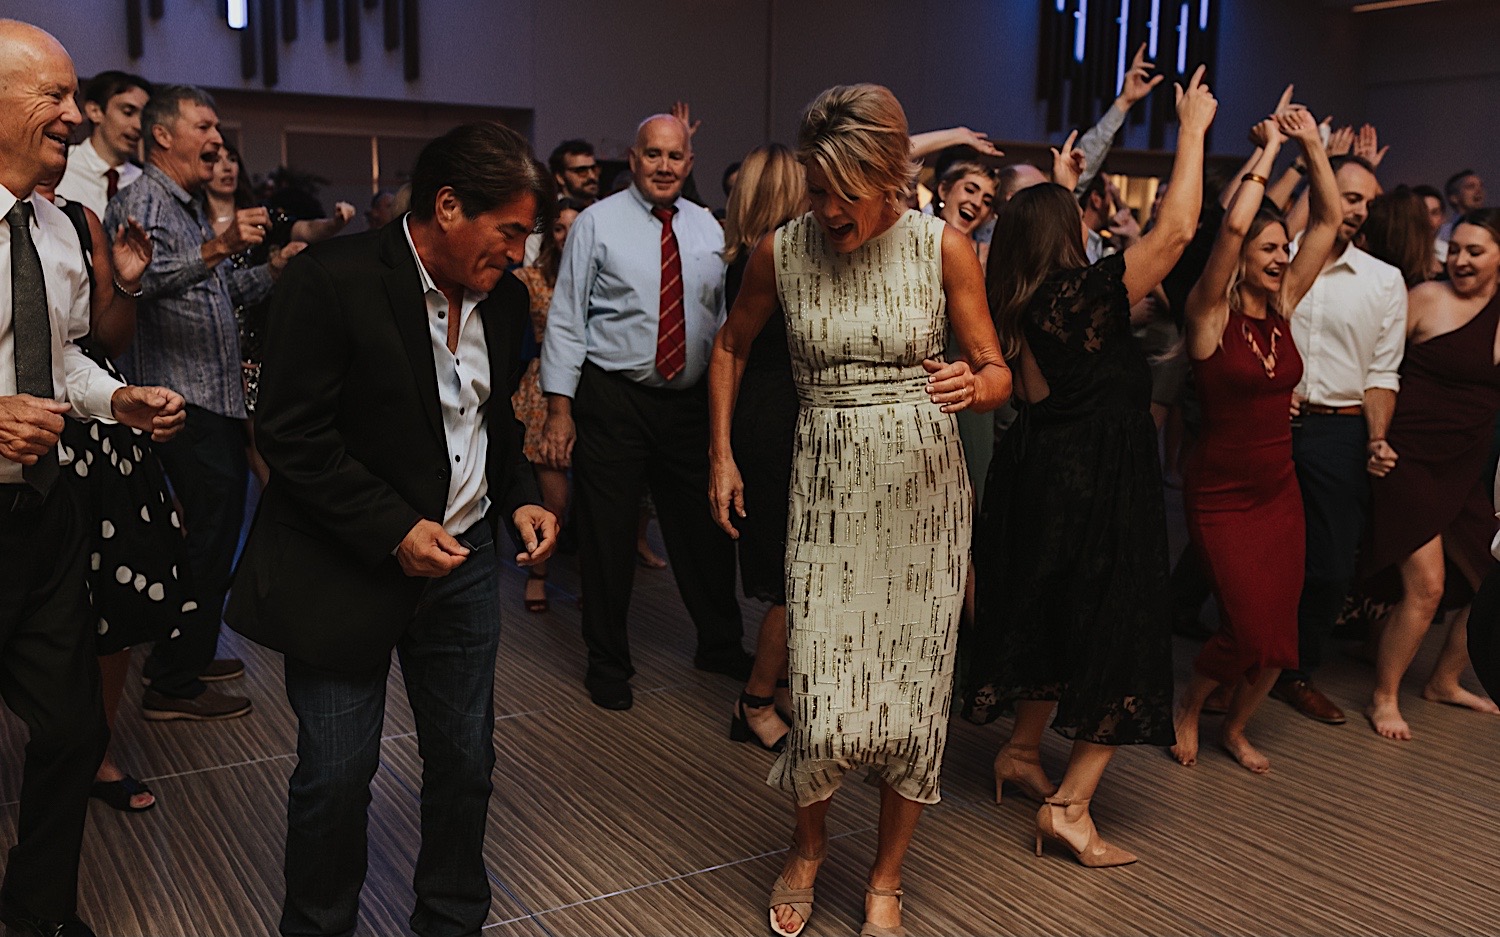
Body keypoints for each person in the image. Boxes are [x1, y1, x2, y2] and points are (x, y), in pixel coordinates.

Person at [226, 121, 558, 937]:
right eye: (508, 231)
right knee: (336, 774)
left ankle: (450, 919)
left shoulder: (506, 299)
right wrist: (391, 528)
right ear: (449, 206)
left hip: (467, 562)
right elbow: (291, 433)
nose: (518, 254)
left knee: (464, 761)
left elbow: (491, 423)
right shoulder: (332, 281)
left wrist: (516, 492)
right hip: (345, 565)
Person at [709, 83, 1010, 937]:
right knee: (822, 687)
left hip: (922, 489)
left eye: (847, 189)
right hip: (829, 482)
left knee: (912, 696)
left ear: (888, 177)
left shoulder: (943, 249)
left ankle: (887, 874)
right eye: (817, 186)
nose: (829, 208)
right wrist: (721, 452)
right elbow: (731, 344)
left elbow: (996, 370)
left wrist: (972, 384)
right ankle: (807, 848)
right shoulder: (783, 250)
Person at [964, 66, 1216, 866]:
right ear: (1065, 237)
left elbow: (1051, 243)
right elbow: (1173, 233)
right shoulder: (1082, 296)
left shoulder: (1016, 298)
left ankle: (1017, 752)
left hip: (1039, 474)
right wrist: (1194, 132)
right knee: (1121, 629)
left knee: (1052, 616)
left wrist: (1062, 188)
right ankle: (1070, 807)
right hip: (1100, 481)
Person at [0, 20, 187, 936]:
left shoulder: (62, 225)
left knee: (74, 732)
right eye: (55, 96)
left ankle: (37, 915)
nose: (74, 116)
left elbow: (66, 357)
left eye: (77, 97)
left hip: (44, 517)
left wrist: (119, 402)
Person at [539, 112, 750, 711]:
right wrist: (560, 410)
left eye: (675, 156)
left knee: (706, 533)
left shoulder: (707, 227)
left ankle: (719, 643)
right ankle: (607, 660)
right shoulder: (597, 224)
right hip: (614, 398)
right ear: (632, 160)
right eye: (652, 154)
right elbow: (568, 319)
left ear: (690, 163)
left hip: (688, 403)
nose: (663, 166)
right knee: (608, 537)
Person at [1168, 106, 1342, 774]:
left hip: (1279, 489)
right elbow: (1235, 221)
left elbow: (1326, 221)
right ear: (1238, 260)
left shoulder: (1286, 303)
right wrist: (1270, 148)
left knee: (1280, 631)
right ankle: (1192, 701)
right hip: (1221, 491)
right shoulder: (1209, 315)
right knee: (1244, 619)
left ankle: (1237, 725)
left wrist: (1312, 145)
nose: (1282, 256)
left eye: (1284, 249)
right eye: (1269, 249)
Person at [106, 85, 276, 721]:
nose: (216, 137)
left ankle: (192, 651)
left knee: (212, 535)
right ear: (163, 137)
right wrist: (221, 246)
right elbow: (138, 282)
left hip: (213, 395)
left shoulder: (186, 205)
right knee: (207, 539)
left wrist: (275, 268)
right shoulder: (142, 199)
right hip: (181, 398)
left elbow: (217, 292)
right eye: (204, 126)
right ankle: (173, 682)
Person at [37, 158, 183, 814]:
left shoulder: (76, 220)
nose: (67, 123)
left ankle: (96, 750)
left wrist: (122, 284)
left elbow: (101, 342)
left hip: (92, 430)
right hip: (23, 437)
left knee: (109, 602)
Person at [1262, 155, 1408, 727]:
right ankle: (1240, 668)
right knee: (1259, 558)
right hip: (1269, 425)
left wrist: (1376, 438)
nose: (1357, 209)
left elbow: (1382, 371)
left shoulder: (1383, 280)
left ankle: (1295, 673)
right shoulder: (1274, 260)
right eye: (1349, 195)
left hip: (1341, 431)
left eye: (1365, 201)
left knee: (1327, 567)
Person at [1363, 208, 1500, 740]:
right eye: (1456, 249)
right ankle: (1384, 695)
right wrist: (1375, 439)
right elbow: (1378, 374)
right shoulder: (1423, 298)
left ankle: (1444, 680)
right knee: (1428, 585)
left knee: (1490, 580)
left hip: (1466, 469)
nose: (1460, 260)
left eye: (1475, 251)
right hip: (1409, 460)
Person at [717, 143, 806, 753]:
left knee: (796, 568)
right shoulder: (771, 259)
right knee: (789, 576)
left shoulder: (748, 255)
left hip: (775, 417)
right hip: (777, 424)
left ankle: (778, 690)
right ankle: (753, 701)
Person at [512, 196, 585, 613]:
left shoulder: (599, 277)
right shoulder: (528, 279)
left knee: (591, 500)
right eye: (560, 228)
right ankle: (538, 574)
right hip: (541, 392)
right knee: (553, 496)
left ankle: (593, 578)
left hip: (589, 388)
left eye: (576, 226)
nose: (568, 235)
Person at [54, 70, 151, 218]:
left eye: (144, 117)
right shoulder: (61, 166)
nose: (138, 125)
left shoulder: (145, 181)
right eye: (127, 112)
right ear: (95, 111)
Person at [1438, 169, 1485, 244]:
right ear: (1454, 198)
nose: (1479, 190)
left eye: (1481, 186)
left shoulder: (1491, 227)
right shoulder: (1445, 232)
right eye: (1470, 187)